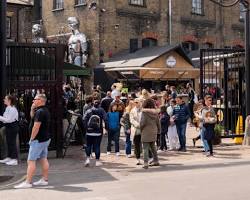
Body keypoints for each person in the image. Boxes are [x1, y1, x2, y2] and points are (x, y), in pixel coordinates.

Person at [14, 94, 51, 189]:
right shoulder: (44, 110)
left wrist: (31, 139)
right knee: (43, 159)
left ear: (41, 100)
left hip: (38, 140)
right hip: (45, 139)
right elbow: (32, 117)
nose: (33, 100)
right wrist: (31, 108)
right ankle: (44, 180)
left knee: (30, 161)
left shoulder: (40, 112)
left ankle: (28, 182)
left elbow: (36, 126)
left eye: (35, 99)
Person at [83, 100, 107, 167]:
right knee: (97, 146)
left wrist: (86, 128)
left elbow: (84, 119)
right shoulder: (101, 110)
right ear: (99, 104)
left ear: (92, 104)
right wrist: (106, 128)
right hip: (98, 132)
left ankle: (87, 159)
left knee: (88, 145)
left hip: (89, 132)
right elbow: (106, 119)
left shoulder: (88, 111)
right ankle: (97, 161)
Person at [140, 98, 160, 169]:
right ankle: (156, 161)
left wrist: (140, 129)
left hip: (146, 131)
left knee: (145, 148)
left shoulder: (144, 113)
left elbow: (142, 123)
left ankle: (145, 163)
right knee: (153, 147)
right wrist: (159, 130)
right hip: (154, 130)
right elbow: (158, 122)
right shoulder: (155, 112)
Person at [0, 95, 19, 166]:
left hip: (12, 126)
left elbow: (8, 120)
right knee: (8, 142)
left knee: (12, 143)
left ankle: (14, 159)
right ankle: (10, 157)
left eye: (5, 99)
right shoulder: (8, 108)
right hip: (8, 126)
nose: (4, 100)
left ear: (9, 100)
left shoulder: (12, 109)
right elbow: (5, 119)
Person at [130, 98, 142, 165]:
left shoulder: (143, 110)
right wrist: (137, 124)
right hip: (136, 130)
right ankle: (138, 159)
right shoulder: (132, 110)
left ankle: (150, 157)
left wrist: (142, 124)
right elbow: (131, 120)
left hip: (143, 129)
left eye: (138, 102)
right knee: (136, 145)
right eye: (135, 102)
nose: (137, 103)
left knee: (146, 144)